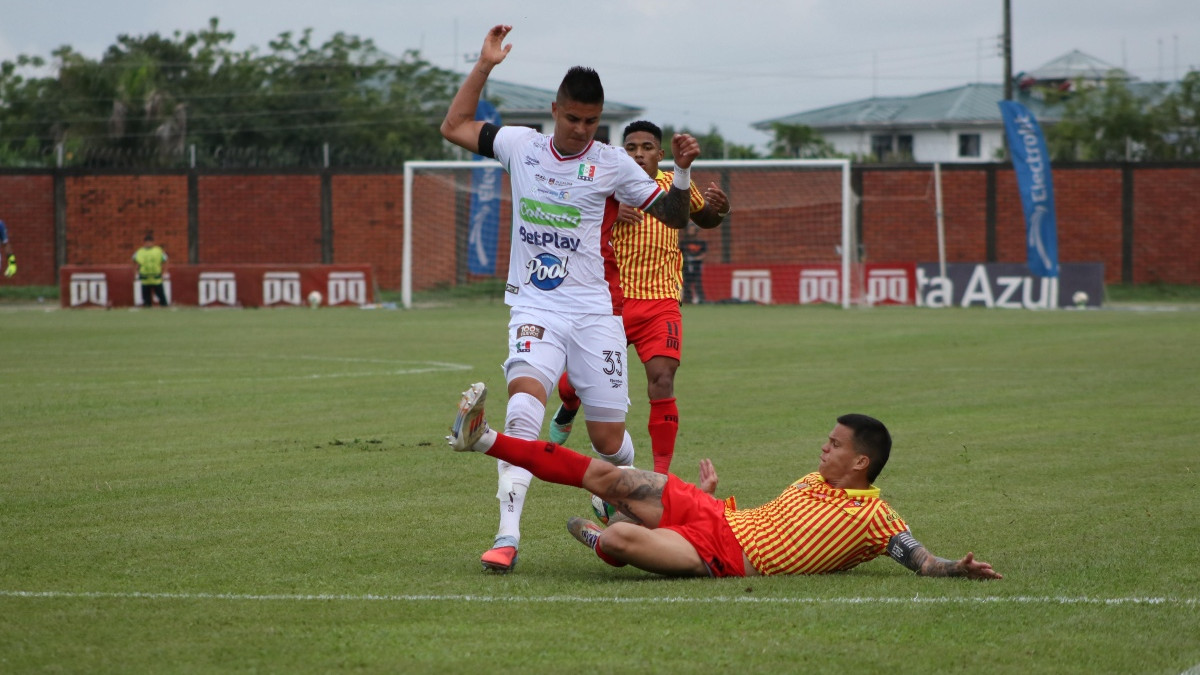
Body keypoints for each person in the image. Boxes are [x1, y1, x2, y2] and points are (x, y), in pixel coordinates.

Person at [439, 24, 699, 573]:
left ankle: (615, 492)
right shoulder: (520, 146)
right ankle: (506, 537)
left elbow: (675, 218)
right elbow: (455, 125)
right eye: (572, 118)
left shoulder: (610, 161)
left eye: (590, 121)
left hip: (596, 314)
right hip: (535, 307)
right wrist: (485, 65)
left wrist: (682, 175)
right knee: (525, 409)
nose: (581, 130)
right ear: (554, 110)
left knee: (608, 440)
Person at [447, 382, 1003, 580]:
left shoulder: (877, 519)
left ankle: (609, 539)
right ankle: (486, 439)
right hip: (713, 515)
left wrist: (957, 567)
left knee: (617, 538)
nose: (823, 447)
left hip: (724, 556)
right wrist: (703, 500)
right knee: (605, 477)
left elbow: (922, 561)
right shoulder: (813, 479)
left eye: (835, 445)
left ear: (862, 463)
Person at [547, 120, 729, 475]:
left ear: (660, 155)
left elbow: (702, 217)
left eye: (647, 148)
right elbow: (571, 224)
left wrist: (721, 210)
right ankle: (568, 404)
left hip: (661, 302)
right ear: (621, 153)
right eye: (631, 148)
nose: (639, 154)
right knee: (578, 383)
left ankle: (660, 477)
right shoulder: (605, 186)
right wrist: (610, 215)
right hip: (611, 302)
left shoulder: (673, 186)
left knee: (663, 377)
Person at [133, 233, 169, 307]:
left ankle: (164, 306)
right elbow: (134, 261)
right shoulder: (140, 251)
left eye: (150, 242)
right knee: (146, 298)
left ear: (153, 242)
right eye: (147, 242)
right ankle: (147, 308)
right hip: (145, 278)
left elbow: (165, 260)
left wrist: (165, 271)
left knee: (161, 295)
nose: (148, 244)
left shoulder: (158, 250)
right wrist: (136, 271)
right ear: (144, 243)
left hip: (156, 278)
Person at [680, 225, 708, 304]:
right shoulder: (684, 242)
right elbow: (680, 253)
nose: (691, 231)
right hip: (686, 266)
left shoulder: (701, 242)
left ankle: (701, 299)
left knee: (697, 282)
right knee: (686, 283)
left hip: (697, 266)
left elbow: (703, 254)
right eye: (689, 229)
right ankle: (688, 299)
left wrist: (695, 258)